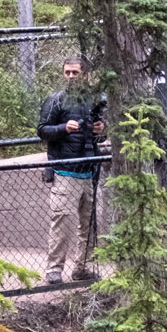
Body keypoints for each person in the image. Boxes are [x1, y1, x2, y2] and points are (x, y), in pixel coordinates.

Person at [37, 58, 108, 285]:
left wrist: (101, 130)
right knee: (63, 222)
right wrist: (64, 128)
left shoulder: (95, 101)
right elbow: (42, 130)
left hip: (89, 171)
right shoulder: (56, 99)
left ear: (84, 75)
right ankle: (54, 270)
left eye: (75, 73)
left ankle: (82, 268)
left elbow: (102, 136)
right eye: (67, 72)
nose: (70, 76)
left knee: (88, 224)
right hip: (65, 171)